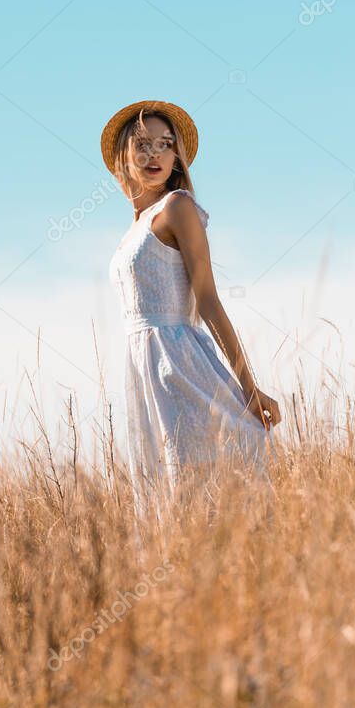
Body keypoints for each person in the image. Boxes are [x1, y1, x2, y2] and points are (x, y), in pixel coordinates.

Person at [102, 99, 281, 500]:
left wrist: (250, 389)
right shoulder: (131, 230)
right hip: (140, 370)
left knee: (199, 476)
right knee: (162, 486)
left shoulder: (177, 207)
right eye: (144, 144)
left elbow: (209, 300)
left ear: (177, 158)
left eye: (166, 145)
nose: (155, 154)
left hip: (178, 361)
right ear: (124, 154)